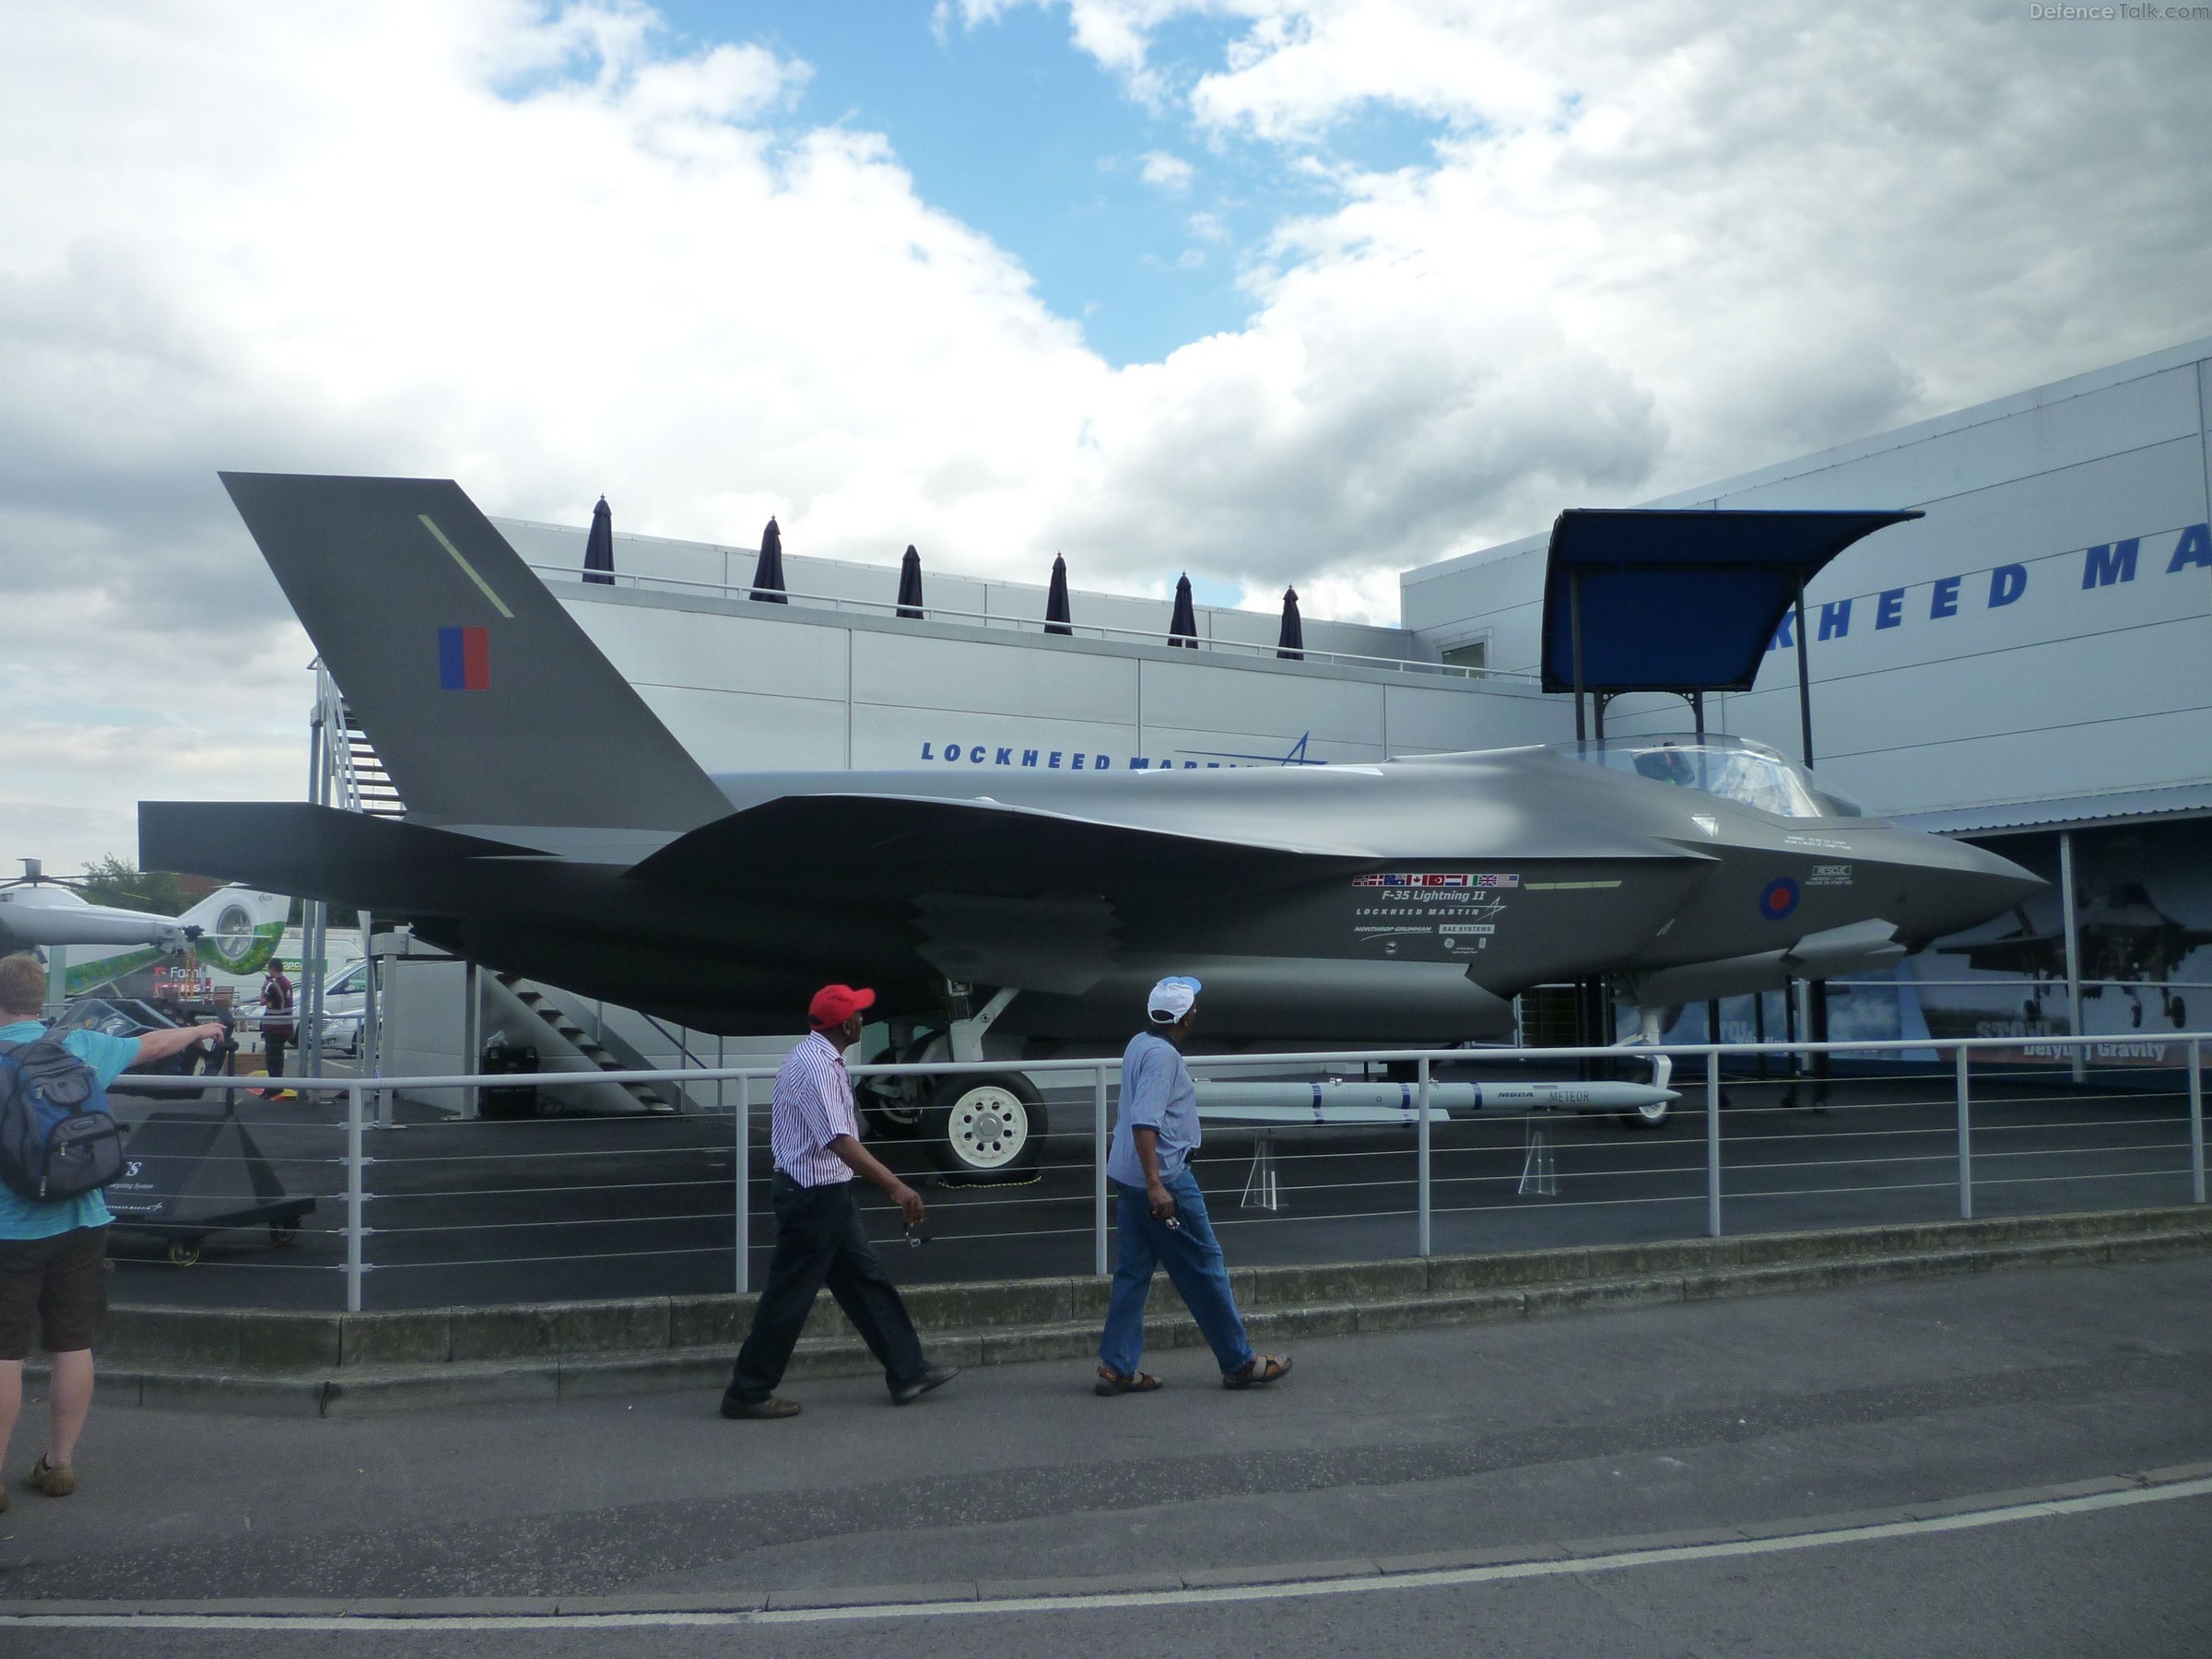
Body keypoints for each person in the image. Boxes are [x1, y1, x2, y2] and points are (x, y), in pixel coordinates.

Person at [0, 952, 226, 1509]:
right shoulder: (76, 1045)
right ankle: (58, 1465)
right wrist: (199, 1028)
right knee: (72, 1345)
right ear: (38, 1001)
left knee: (3, 1355)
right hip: (85, 1219)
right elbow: (152, 1046)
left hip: (10, 1230)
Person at [722, 984, 958, 1418]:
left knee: (865, 1282)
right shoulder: (818, 1069)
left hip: (823, 1193)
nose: (865, 1018)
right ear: (847, 1024)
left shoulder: (812, 1057)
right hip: (814, 1197)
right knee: (789, 1297)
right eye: (860, 1014)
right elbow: (840, 1141)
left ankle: (908, 1371)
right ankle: (748, 1390)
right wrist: (897, 1186)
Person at [1096, 975, 1290, 1396]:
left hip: (1127, 1177)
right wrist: (1157, 1186)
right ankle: (1239, 1363)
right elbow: (1145, 1120)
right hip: (1164, 1179)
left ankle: (1117, 1367)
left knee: (1132, 1274)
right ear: (1185, 1018)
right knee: (1205, 1268)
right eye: (1194, 1008)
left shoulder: (1137, 1044)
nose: (1197, 1012)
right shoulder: (1164, 1057)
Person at [257, 961, 295, 1100]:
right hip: (286, 1026)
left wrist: (263, 986)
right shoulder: (287, 983)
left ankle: (273, 1088)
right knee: (278, 1058)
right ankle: (276, 1085)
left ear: (272, 969)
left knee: (272, 1059)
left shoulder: (273, 986)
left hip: (273, 1026)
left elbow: (262, 1001)